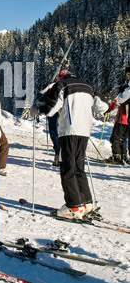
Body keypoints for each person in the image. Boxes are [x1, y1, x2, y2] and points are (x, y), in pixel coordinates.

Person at [30, 69, 95, 219]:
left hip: (69, 130)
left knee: (67, 168)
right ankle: (86, 202)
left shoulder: (62, 86)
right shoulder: (88, 87)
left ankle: (73, 206)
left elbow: (51, 110)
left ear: (61, 77)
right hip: (85, 130)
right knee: (79, 167)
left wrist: (37, 110)